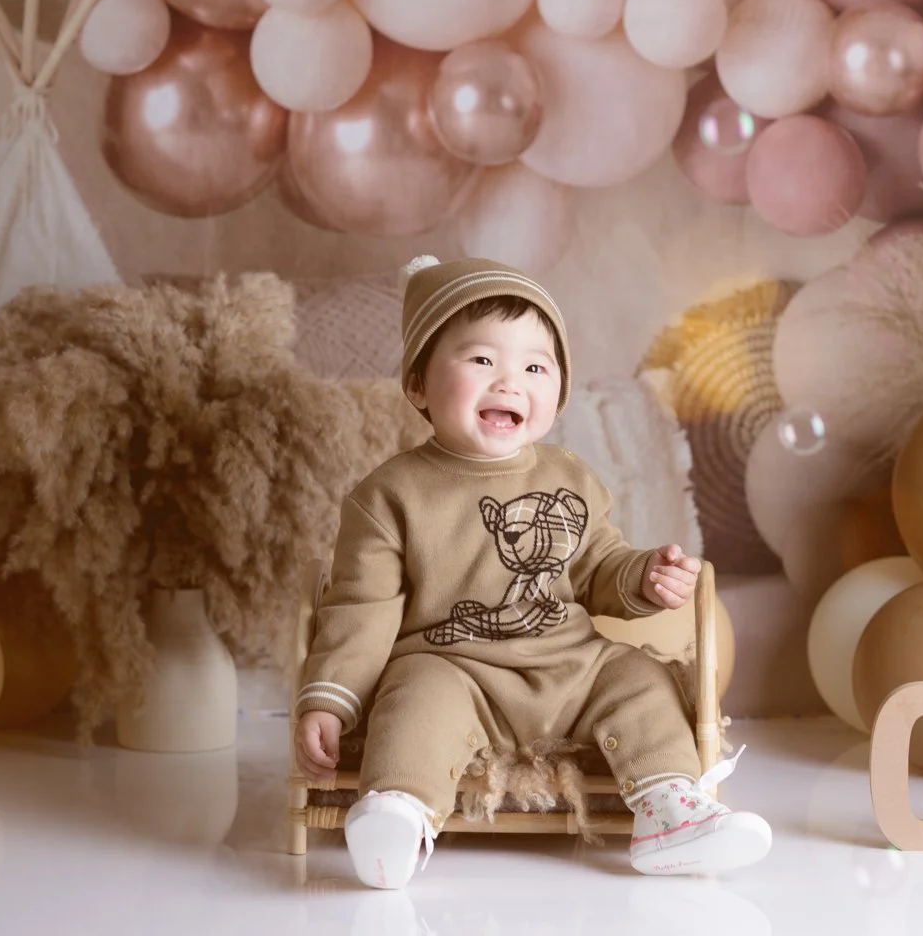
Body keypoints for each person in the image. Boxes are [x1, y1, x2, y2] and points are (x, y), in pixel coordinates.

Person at [294, 256, 772, 889]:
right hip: (454, 668)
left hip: (568, 667)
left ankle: (669, 811)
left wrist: (643, 578)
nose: (510, 381)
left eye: (535, 366)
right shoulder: (391, 494)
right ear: (418, 385)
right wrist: (330, 698)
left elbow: (599, 565)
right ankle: (397, 811)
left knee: (639, 677)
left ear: (556, 393)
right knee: (413, 701)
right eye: (482, 360)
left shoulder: (569, 477)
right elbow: (361, 608)